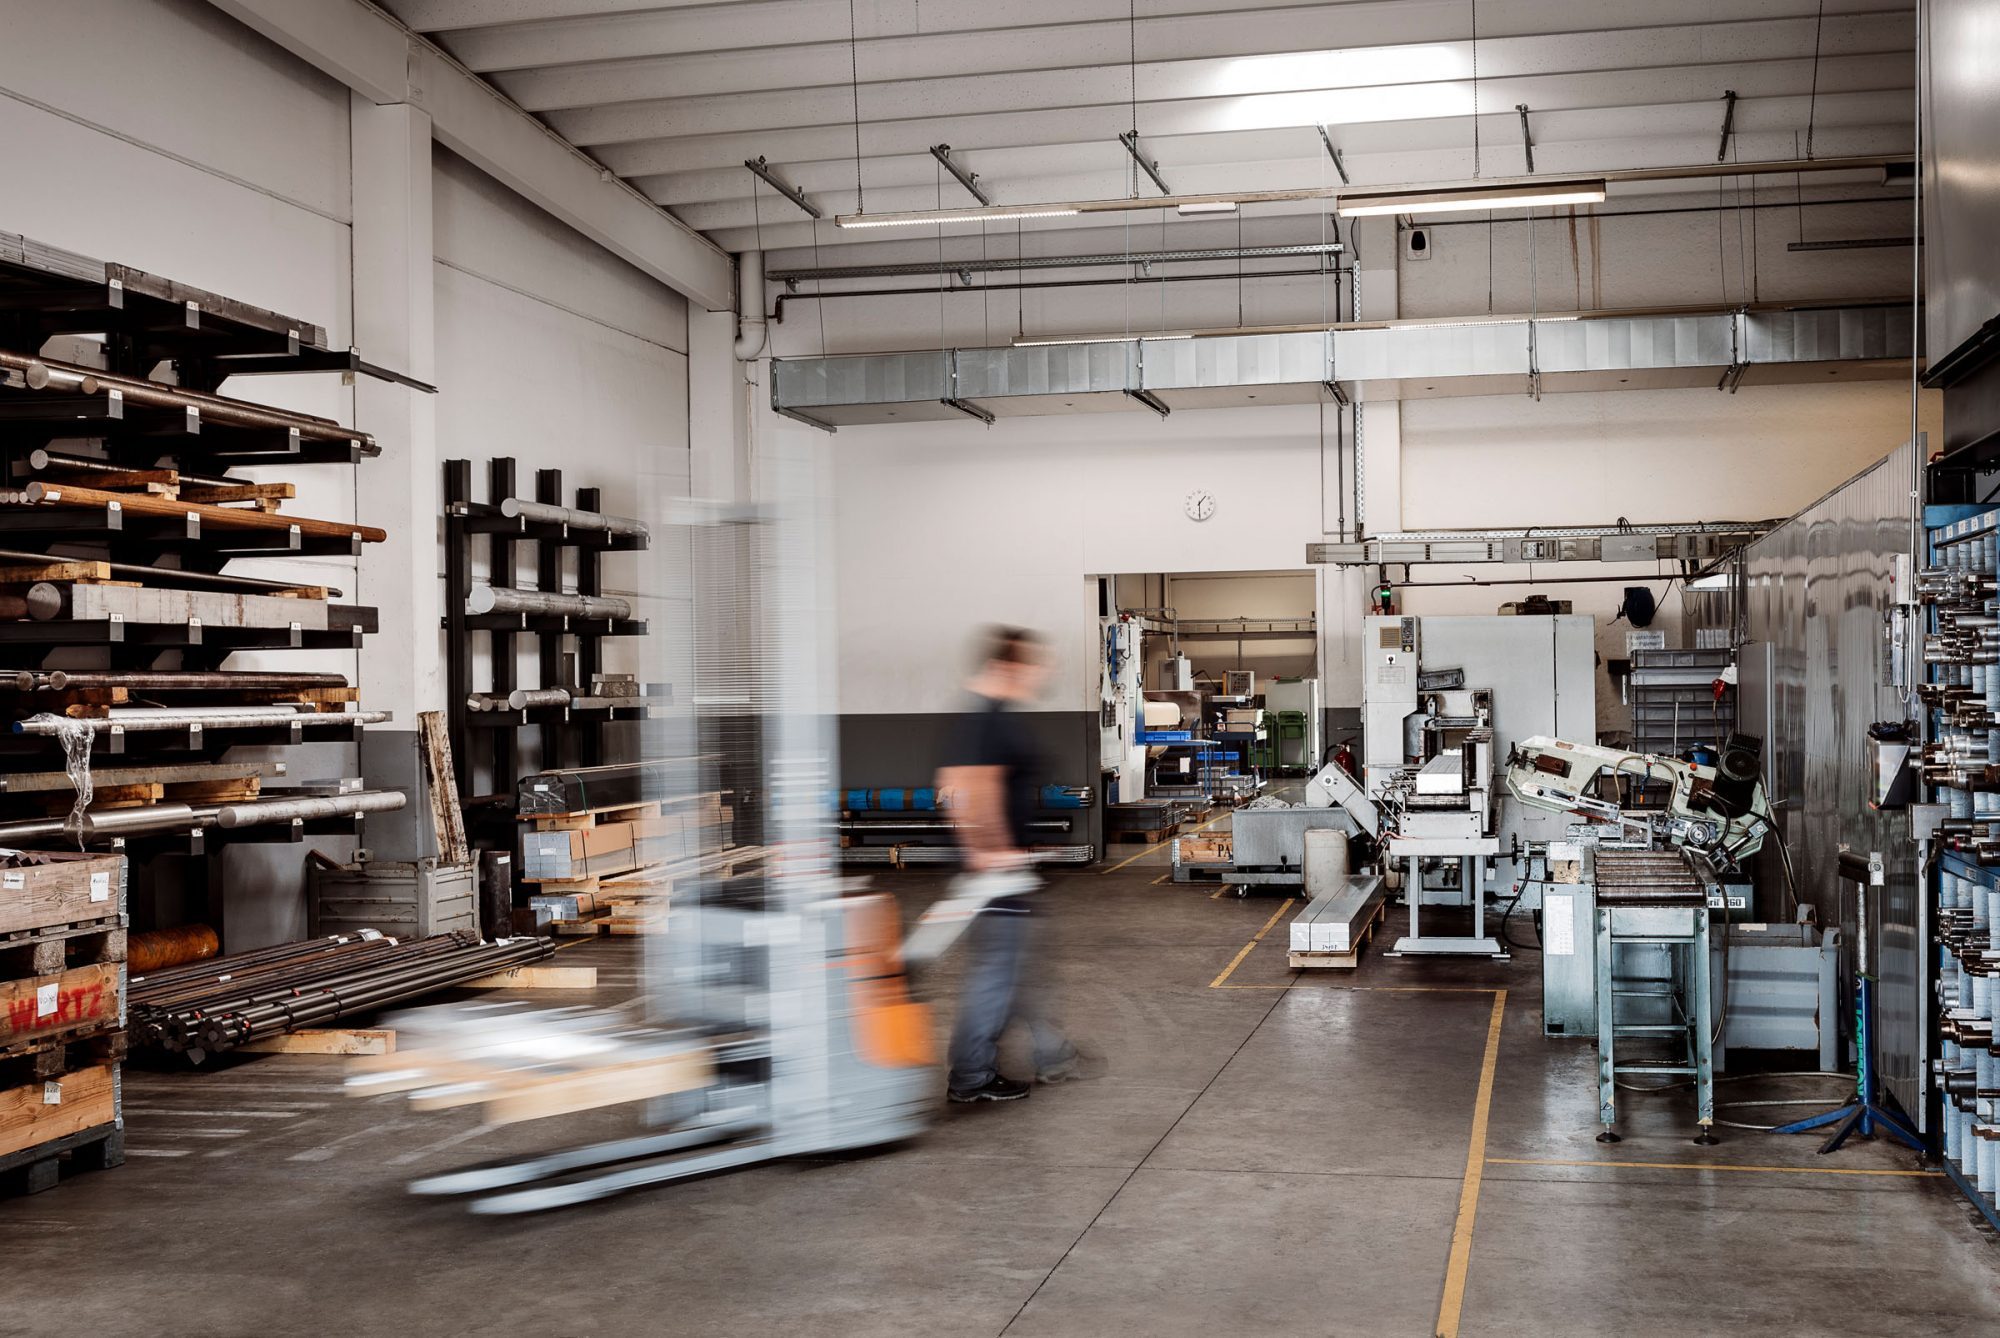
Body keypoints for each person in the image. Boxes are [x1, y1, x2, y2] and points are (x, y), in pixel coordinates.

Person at [937, 626, 1079, 1103]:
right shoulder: (988, 720)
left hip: (1004, 869)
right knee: (996, 976)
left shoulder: (990, 716)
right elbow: (963, 786)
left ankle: (1050, 1051)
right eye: (1033, 665)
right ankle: (972, 1076)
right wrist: (988, 852)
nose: (1041, 673)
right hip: (996, 872)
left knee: (1010, 971)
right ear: (1008, 665)